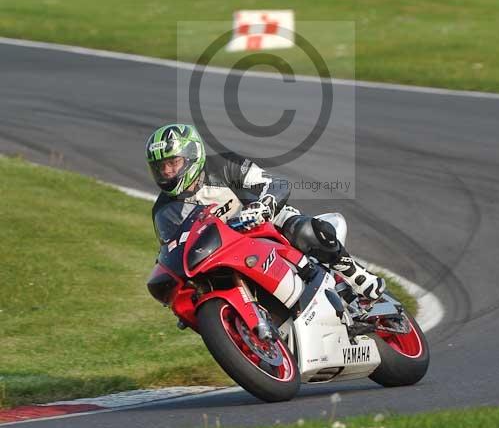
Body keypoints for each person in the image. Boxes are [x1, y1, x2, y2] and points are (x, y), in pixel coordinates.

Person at [146, 123, 385, 302]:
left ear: (191, 155)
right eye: (161, 167)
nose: (167, 172)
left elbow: (275, 183)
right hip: (222, 252)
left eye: (172, 163)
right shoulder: (164, 210)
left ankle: (355, 274)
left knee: (304, 230)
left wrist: (264, 205)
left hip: (262, 224)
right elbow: (173, 248)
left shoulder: (224, 165)